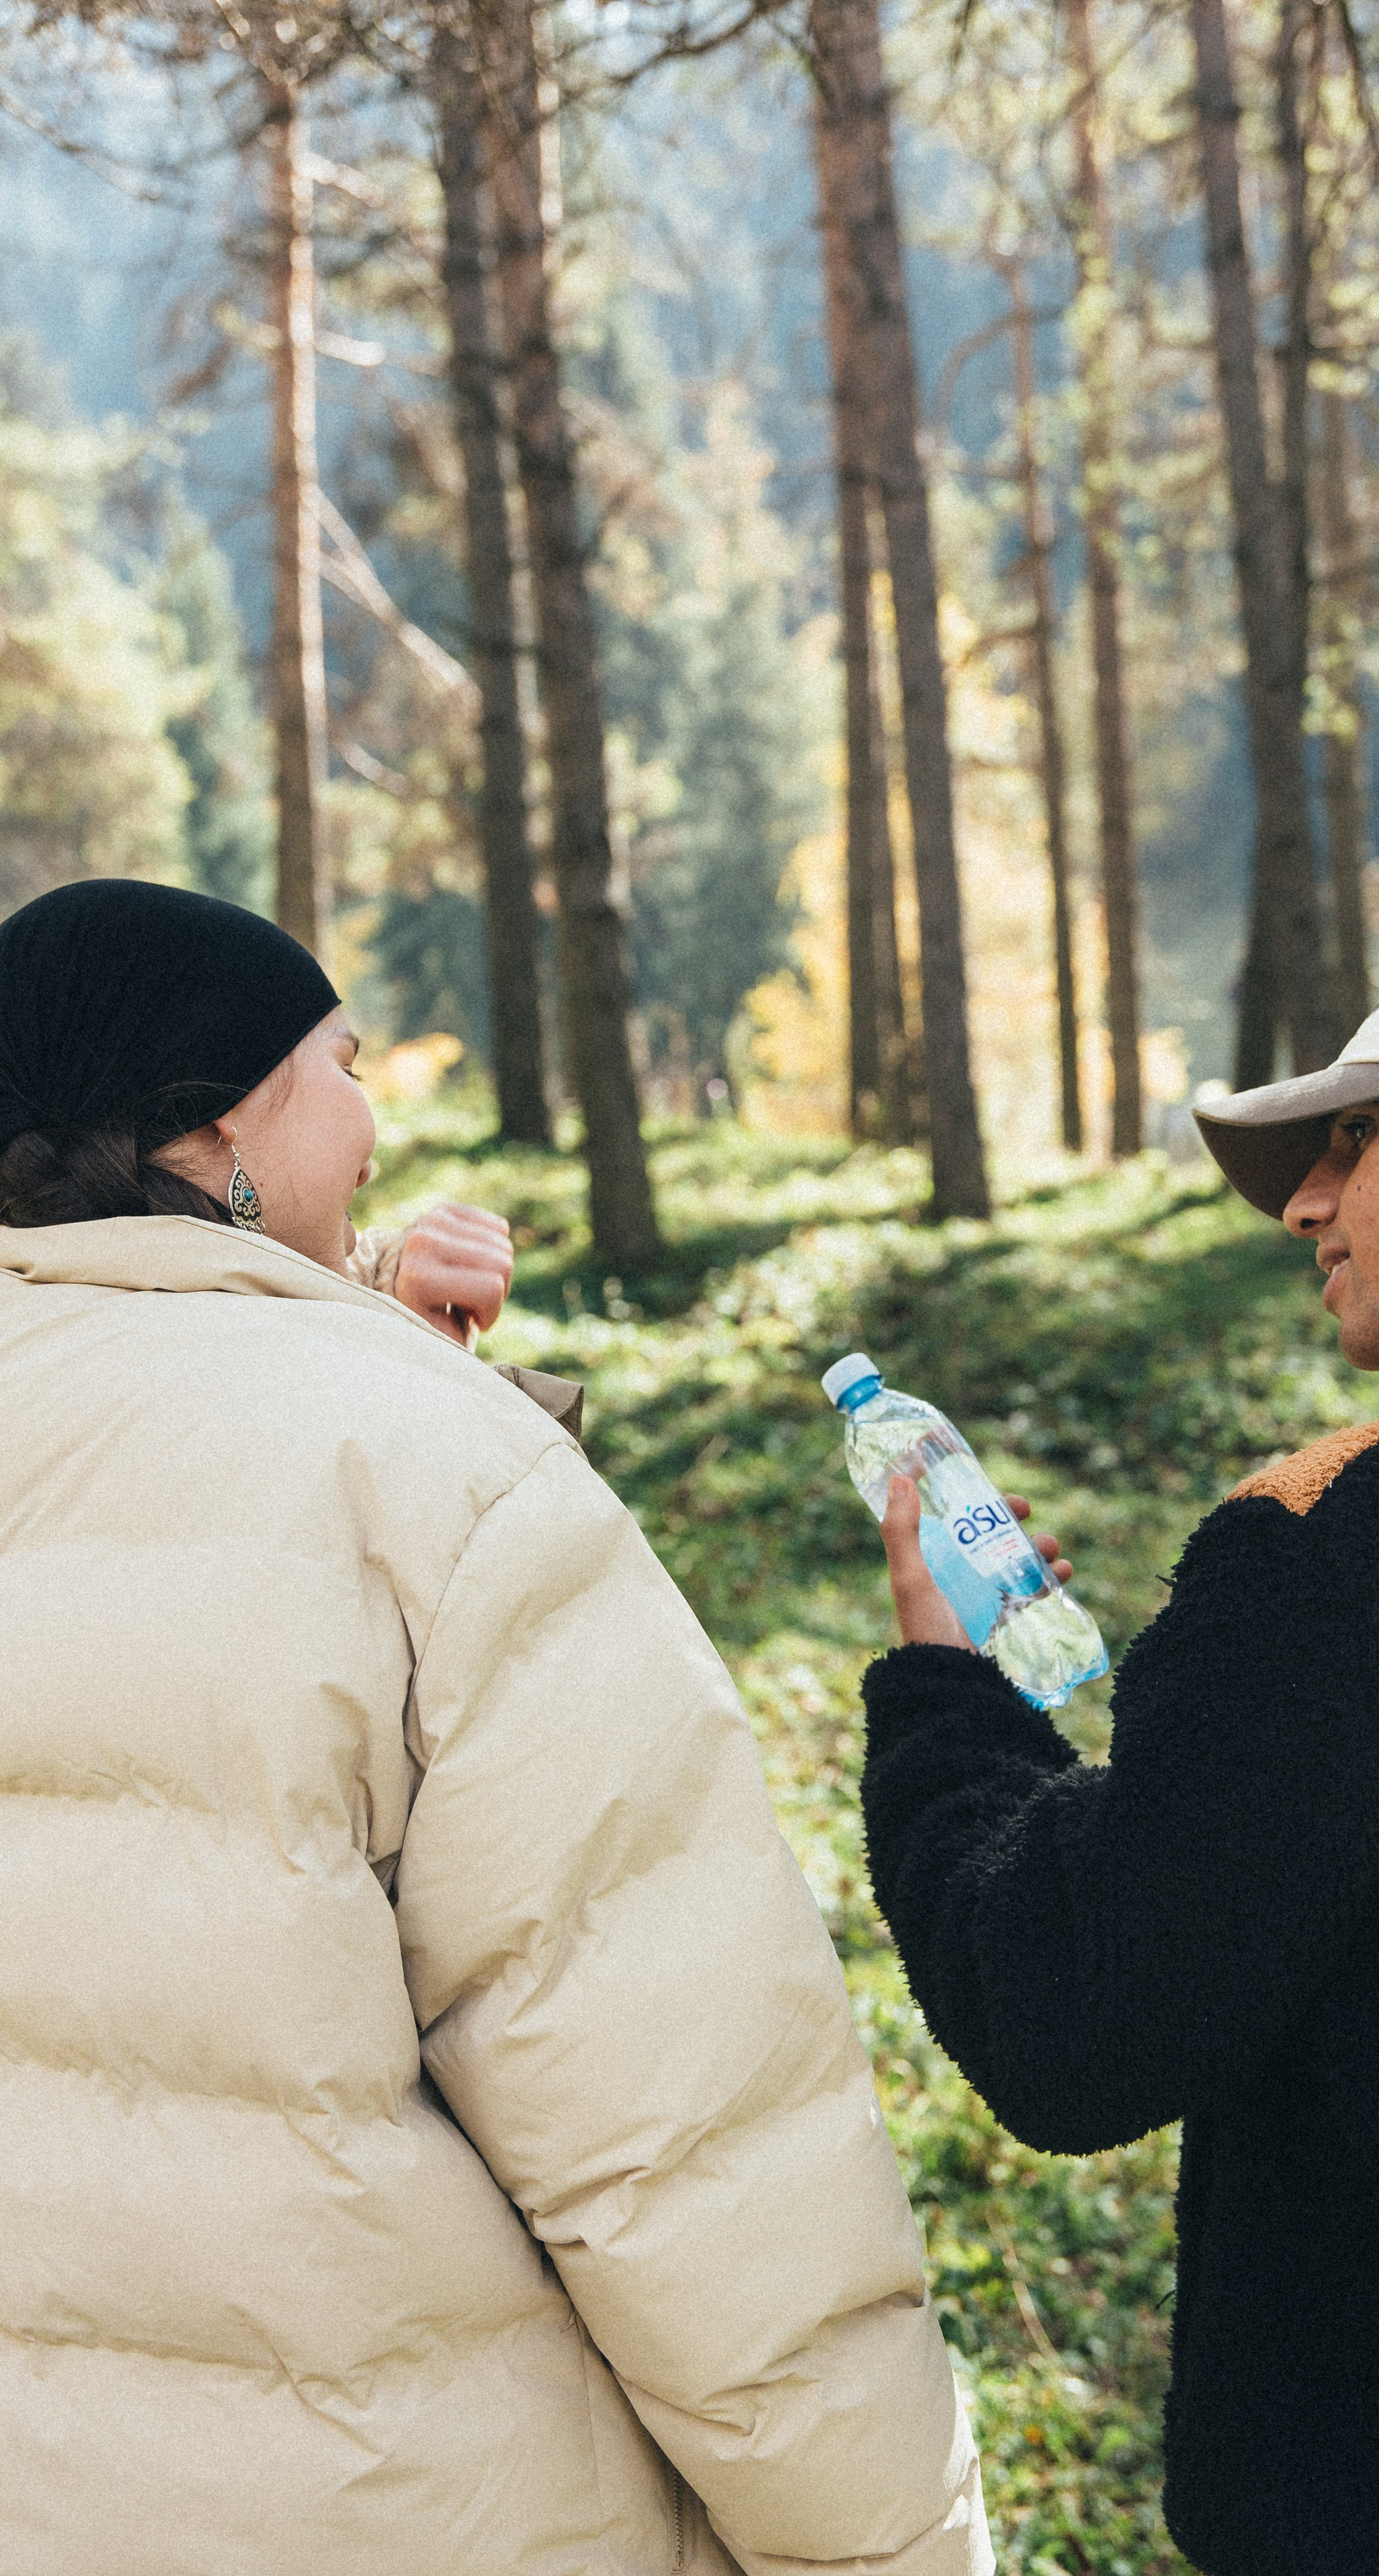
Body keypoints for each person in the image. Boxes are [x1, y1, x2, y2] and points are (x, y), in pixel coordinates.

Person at [0, 879, 989, 2576]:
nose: (377, 1124)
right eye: (346, 1063)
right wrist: (893, 2547)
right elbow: (682, 2144)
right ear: (221, 1116)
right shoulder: (430, 1474)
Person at [863, 918, 1379, 2576]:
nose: (1304, 1207)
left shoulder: (1335, 1548)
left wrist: (950, 1700)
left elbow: (1070, 2018)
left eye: (1348, 1140)